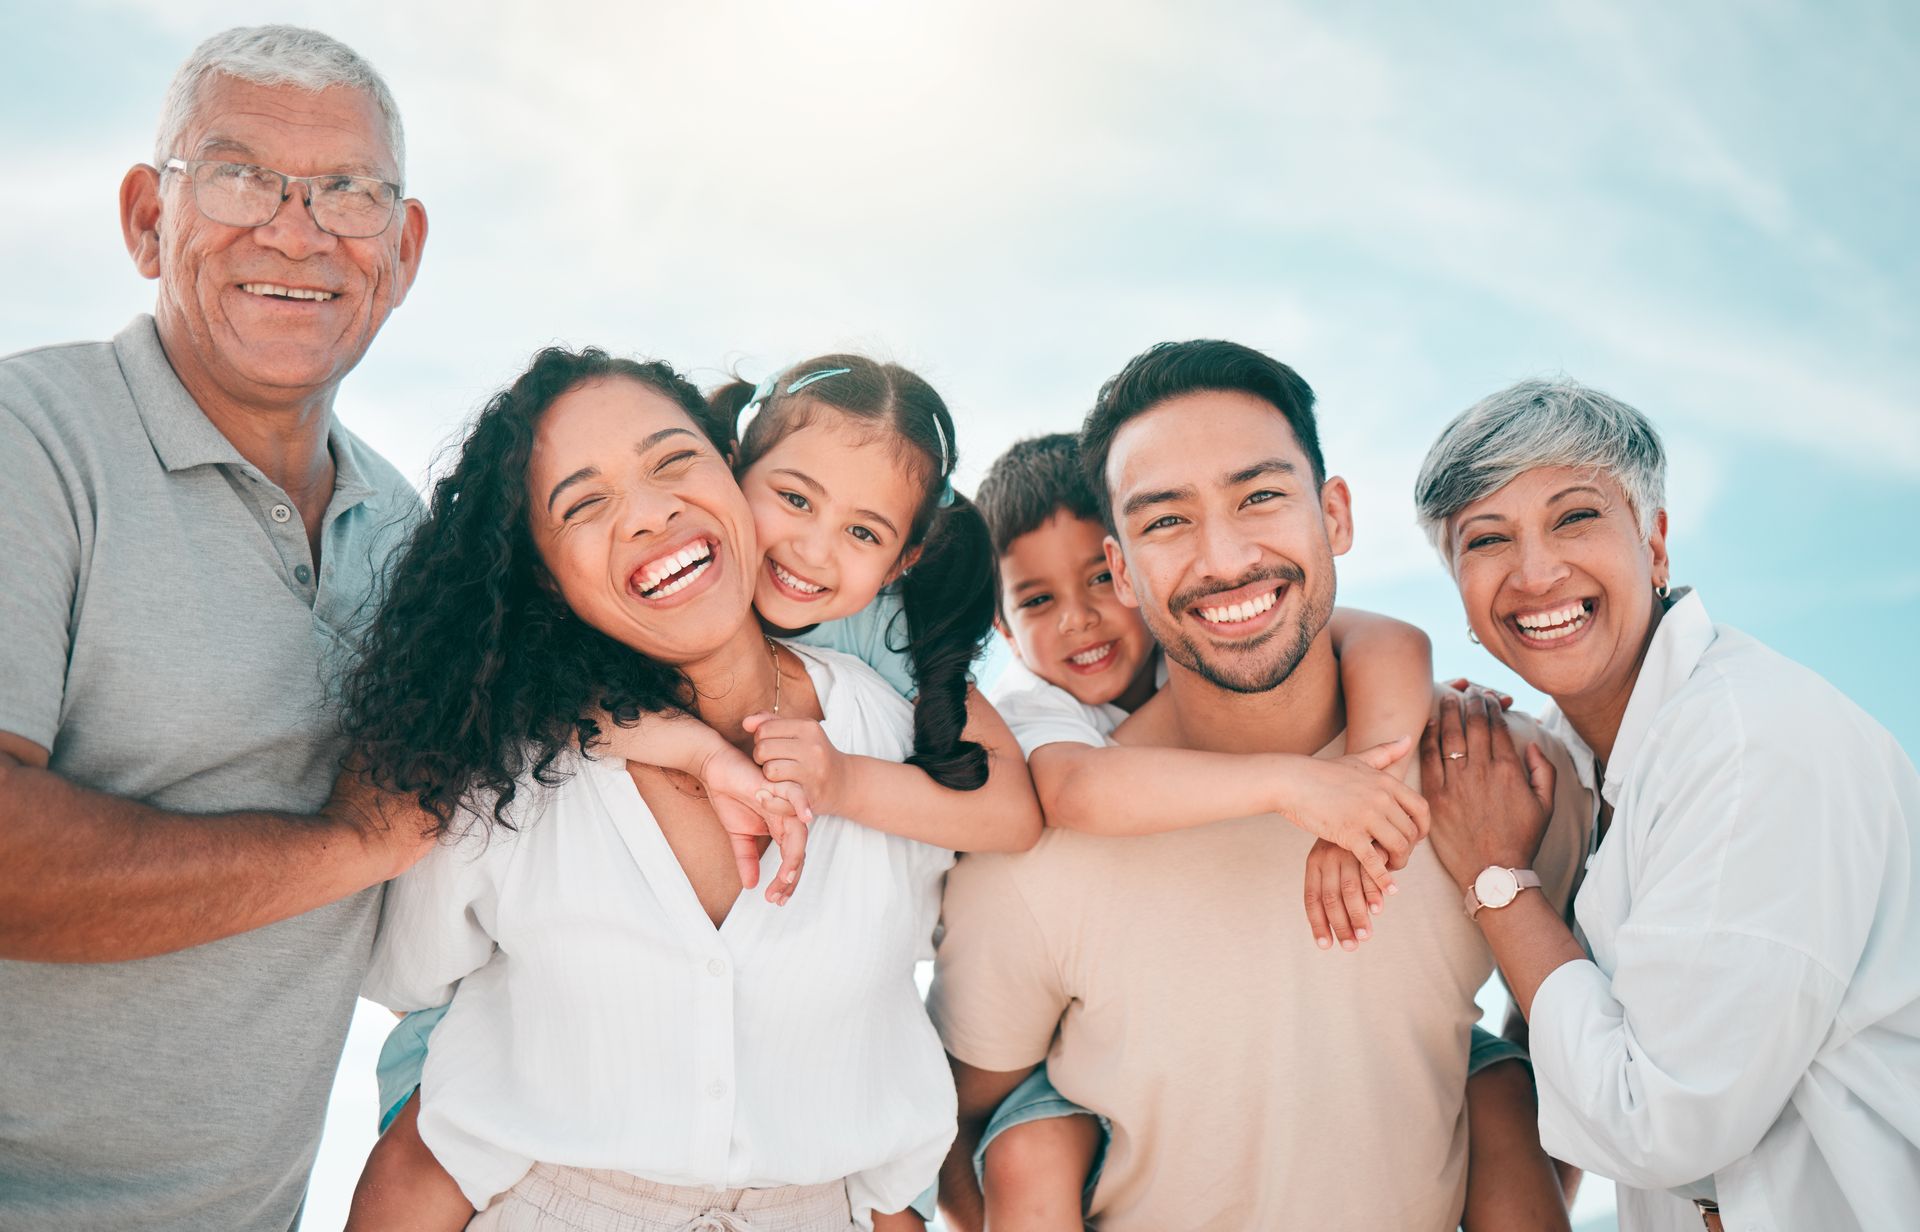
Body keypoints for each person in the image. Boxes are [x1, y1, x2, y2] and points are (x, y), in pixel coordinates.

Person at [347, 354, 1042, 1229]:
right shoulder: (510, 764)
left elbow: (885, 1075)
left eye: (672, 461)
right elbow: (422, 1033)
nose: (650, 512)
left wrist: (840, 780)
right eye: (583, 501)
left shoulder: (892, 710)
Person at [928, 340, 1595, 1230]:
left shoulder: (1499, 777)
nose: (1225, 555)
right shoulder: (1037, 847)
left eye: (1260, 496)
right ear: (1125, 570)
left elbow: (1593, 1054)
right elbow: (960, 1127)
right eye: (1166, 520)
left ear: (1336, 515)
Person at [0, 25, 430, 1229]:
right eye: (240, 176)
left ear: (402, 252)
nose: (297, 231)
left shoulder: (412, 540)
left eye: (348, 191)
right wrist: (348, 847)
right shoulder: (29, 440)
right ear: (147, 219)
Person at [1412, 379, 1920, 1232]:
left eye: (1575, 518)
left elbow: (1661, 1127)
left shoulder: (1751, 746)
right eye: (1487, 539)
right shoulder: (1566, 760)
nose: (1536, 572)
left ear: (1654, 545)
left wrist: (1497, 878)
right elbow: (1584, 1013)